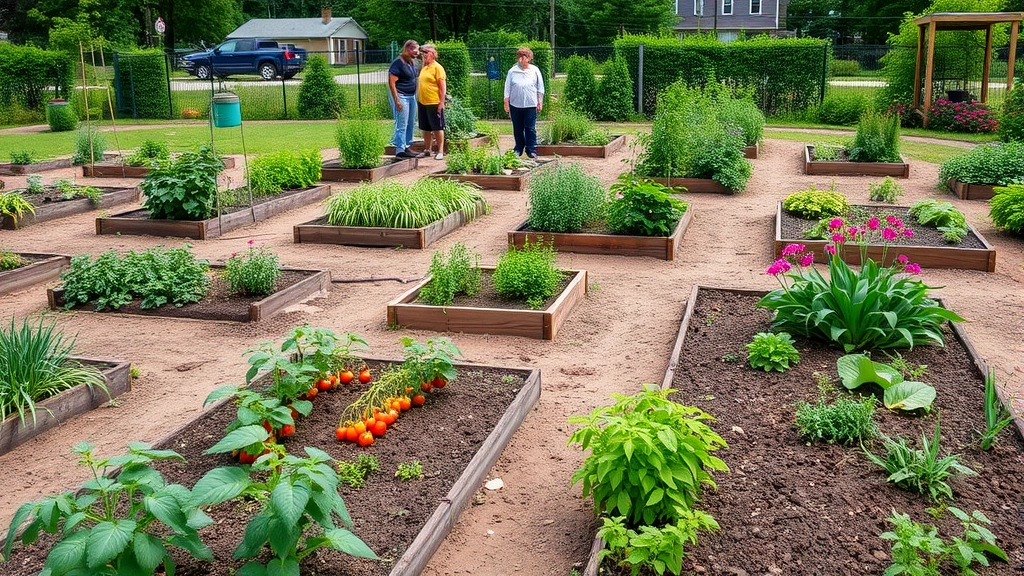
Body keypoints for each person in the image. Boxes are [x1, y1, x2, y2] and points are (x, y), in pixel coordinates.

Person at [503, 47, 544, 158]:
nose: (521, 59)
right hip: (515, 105)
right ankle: (518, 149)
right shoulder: (512, 71)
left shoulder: (535, 70)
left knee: (530, 128)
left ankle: (531, 149)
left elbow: (540, 87)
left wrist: (540, 102)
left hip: (531, 104)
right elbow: (507, 88)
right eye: (519, 57)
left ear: (529, 58)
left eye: (524, 57)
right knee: (517, 127)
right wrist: (506, 103)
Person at [388, 40, 423, 158]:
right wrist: (396, 100)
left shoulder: (411, 62)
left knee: (411, 122)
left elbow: (416, 76)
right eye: (415, 50)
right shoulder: (398, 63)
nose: (417, 53)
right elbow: (391, 82)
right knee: (402, 123)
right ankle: (399, 150)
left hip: (411, 96)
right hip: (401, 95)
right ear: (407, 49)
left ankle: (407, 146)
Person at [417, 44, 447, 160]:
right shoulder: (424, 67)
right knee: (425, 128)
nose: (423, 55)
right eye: (423, 53)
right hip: (422, 102)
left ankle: (440, 151)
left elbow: (442, 87)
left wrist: (441, 103)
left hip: (434, 102)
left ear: (432, 54)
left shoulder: (437, 68)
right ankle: (428, 150)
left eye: (426, 53)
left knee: (437, 127)